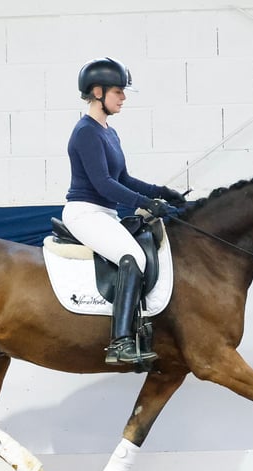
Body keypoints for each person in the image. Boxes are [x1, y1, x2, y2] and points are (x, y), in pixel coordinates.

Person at [62, 57, 187, 367]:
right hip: (84, 212)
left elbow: (124, 180)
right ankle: (120, 342)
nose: (123, 97)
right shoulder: (85, 132)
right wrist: (143, 204)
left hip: (104, 214)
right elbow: (103, 184)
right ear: (97, 92)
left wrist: (160, 192)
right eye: (118, 91)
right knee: (134, 257)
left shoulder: (109, 132)